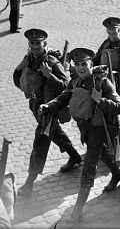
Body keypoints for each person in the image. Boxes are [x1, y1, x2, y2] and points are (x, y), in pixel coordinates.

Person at [39, 48, 120, 220]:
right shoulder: (75, 81)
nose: (80, 68)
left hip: (100, 130)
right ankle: (117, 174)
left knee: (88, 169)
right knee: (102, 153)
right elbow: (64, 97)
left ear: (91, 64)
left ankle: (77, 209)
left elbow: (119, 107)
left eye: (84, 64)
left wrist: (101, 100)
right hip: (85, 128)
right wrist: (49, 106)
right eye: (77, 65)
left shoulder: (103, 82)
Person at [13, 29, 82, 198]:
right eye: (32, 43)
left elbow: (67, 86)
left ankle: (29, 185)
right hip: (36, 106)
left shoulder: (51, 62)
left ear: (45, 44)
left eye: (38, 43)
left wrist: (49, 75)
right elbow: (18, 81)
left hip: (50, 108)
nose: (35, 46)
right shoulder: (28, 59)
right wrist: (18, 71)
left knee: (41, 141)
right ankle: (75, 156)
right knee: (54, 132)